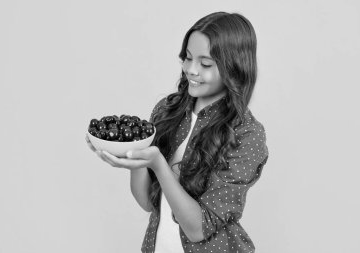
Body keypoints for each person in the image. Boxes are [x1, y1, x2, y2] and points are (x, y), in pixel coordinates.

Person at [86, 11, 269, 253]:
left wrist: (159, 164)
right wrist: (136, 157)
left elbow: (198, 229)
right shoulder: (167, 110)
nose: (191, 70)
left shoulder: (247, 134)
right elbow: (147, 203)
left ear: (234, 66)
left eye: (205, 64)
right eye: (187, 58)